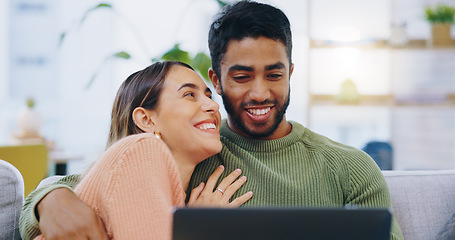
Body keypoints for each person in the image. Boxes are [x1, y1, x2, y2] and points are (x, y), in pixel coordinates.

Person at [20, 1, 403, 239]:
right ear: (217, 81)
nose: (259, 93)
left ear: (290, 72)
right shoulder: (192, 146)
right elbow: (87, 184)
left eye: (274, 74)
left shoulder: (349, 168)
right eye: (241, 77)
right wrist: (49, 201)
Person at [28, 61, 253, 240]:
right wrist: (193, 231)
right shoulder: (142, 149)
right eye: (189, 95)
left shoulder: (169, 195)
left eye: (208, 95)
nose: (213, 106)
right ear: (146, 119)